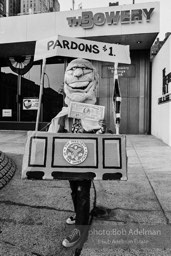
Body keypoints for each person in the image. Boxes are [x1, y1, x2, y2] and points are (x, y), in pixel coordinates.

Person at [48, 58, 105, 248]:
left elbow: (99, 132)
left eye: (83, 70)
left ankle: (81, 229)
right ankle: (79, 215)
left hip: (86, 158)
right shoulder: (65, 112)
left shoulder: (95, 112)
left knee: (82, 191)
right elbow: (59, 132)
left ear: (94, 79)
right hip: (69, 158)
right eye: (73, 70)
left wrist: (100, 131)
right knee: (74, 189)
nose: (78, 74)